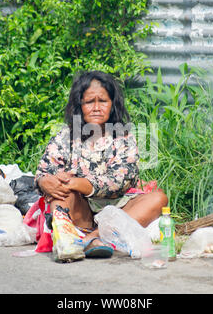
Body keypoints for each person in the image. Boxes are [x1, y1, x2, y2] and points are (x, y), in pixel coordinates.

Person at [34, 70, 168, 257]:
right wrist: (45, 182)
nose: (96, 107)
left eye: (103, 101)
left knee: (158, 198)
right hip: (82, 212)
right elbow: (44, 172)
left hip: (118, 208)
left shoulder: (123, 137)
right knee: (59, 193)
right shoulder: (65, 137)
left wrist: (76, 183)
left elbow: (119, 181)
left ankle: (95, 237)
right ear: (79, 105)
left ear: (112, 104)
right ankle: (66, 240)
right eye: (89, 102)